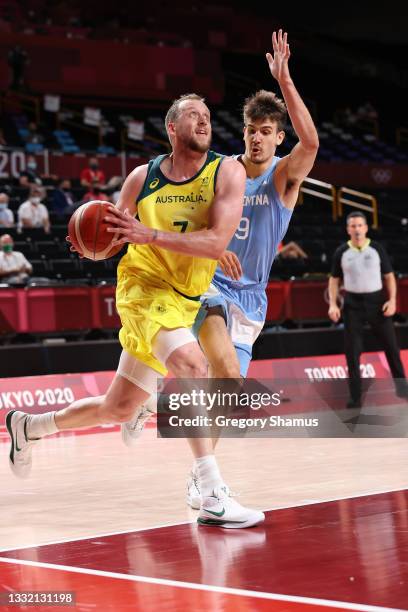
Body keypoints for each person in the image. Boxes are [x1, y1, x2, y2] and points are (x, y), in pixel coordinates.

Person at [6, 93, 265, 529]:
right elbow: (113, 236)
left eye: (206, 116)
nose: (203, 122)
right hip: (142, 289)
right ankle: (212, 495)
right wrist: (96, 247)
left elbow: (218, 242)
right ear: (171, 128)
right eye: (192, 116)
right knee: (192, 364)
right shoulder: (141, 179)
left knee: (120, 408)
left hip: (185, 300)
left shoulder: (228, 172)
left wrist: (151, 235)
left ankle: (29, 427)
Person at [122, 30, 319, 510]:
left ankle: (181, 444)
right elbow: (193, 220)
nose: (256, 137)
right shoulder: (223, 172)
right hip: (208, 286)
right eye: (251, 129)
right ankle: (210, 488)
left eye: (266, 131)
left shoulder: (283, 179)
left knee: (227, 393)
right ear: (245, 133)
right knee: (216, 368)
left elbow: (311, 140)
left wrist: (285, 81)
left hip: (251, 299)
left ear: (277, 138)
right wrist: (212, 247)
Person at [328, 212, 408, 408]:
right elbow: (334, 280)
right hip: (352, 305)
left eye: (360, 225)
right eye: (353, 226)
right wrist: (333, 303)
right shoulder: (341, 252)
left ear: (366, 228)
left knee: (391, 347)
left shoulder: (376, 249)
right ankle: (355, 397)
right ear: (348, 229)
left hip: (377, 303)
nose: (356, 229)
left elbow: (389, 276)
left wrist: (392, 301)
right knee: (352, 352)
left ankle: (403, 389)